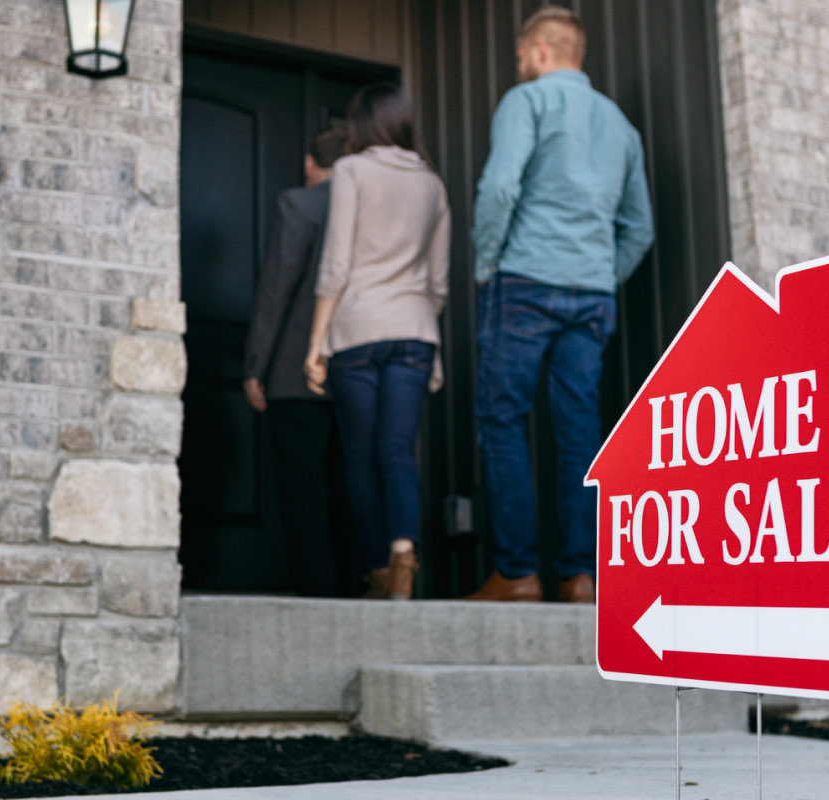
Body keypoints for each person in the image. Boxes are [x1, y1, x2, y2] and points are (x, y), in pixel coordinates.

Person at [466, 6, 655, 603]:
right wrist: (600, 274)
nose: (520, 67)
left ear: (542, 52)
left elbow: (500, 186)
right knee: (581, 434)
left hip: (522, 282)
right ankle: (580, 576)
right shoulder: (622, 128)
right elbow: (640, 228)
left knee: (502, 421)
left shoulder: (527, 102)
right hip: (590, 297)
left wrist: (487, 262)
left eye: (522, 57)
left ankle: (518, 573)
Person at [304, 83, 451, 601]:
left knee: (362, 456)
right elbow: (438, 282)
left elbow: (337, 263)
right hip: (414, 333)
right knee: (398, 452)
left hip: (357, 332)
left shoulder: (351, 171)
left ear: (362, 124)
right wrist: (422, 328)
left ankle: (375, 570)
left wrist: (316, 340)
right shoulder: (432, 184)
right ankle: (404, 552)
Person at [242, 126, 360, 598]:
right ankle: (353, 586)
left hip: (295, 372)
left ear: (312, 164)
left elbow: (277, 289)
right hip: (357, 369)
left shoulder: (300, 204)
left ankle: (315, 591)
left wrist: (255, 365)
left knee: (303, 490)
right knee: (347, 489)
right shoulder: (367, 209)